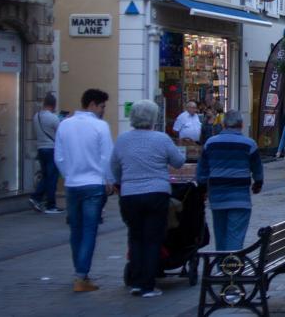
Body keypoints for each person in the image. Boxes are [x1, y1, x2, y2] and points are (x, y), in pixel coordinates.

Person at [111, 100, 184, 298]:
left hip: (130, 194)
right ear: (154, 118)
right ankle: (148, 285)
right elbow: (178, 162)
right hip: (156, 193)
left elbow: (114, 167)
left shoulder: (123, 139)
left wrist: (121, 181)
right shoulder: (161, 139)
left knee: (135, 237)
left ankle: (136, 281)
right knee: (153, 239)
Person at [54, 88, 114, 293]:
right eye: (102, 106)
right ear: (93, 105)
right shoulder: (100, 126)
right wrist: (109, 180)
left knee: (76, 230)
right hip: (94, 183)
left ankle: (79, 271)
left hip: (72, 184)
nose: (104, 110)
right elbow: (107, 156)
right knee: (90, 229)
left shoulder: (65, 125)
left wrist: (68, 175)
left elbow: (59, 157)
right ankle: (81, 275)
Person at [196, 111, 263, 251]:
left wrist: (202, 188)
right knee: (235, 235)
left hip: (217, 197)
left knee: (220, 234)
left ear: (223, 124)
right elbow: (257, 169)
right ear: (241, 125)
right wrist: (257, 183)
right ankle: (231, 268)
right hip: (240, 198)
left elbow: (202, 169)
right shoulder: (249, 144)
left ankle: (222, 266)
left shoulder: (211, 143)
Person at [29, 93, 63, 214]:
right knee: (52, 177)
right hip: (51, 149)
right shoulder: (53, 118)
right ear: (53, 105)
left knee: (45, 175)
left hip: (40, 148)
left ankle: (37, 198)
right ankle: (50, 204)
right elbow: (61, 133)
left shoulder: (36, 116)